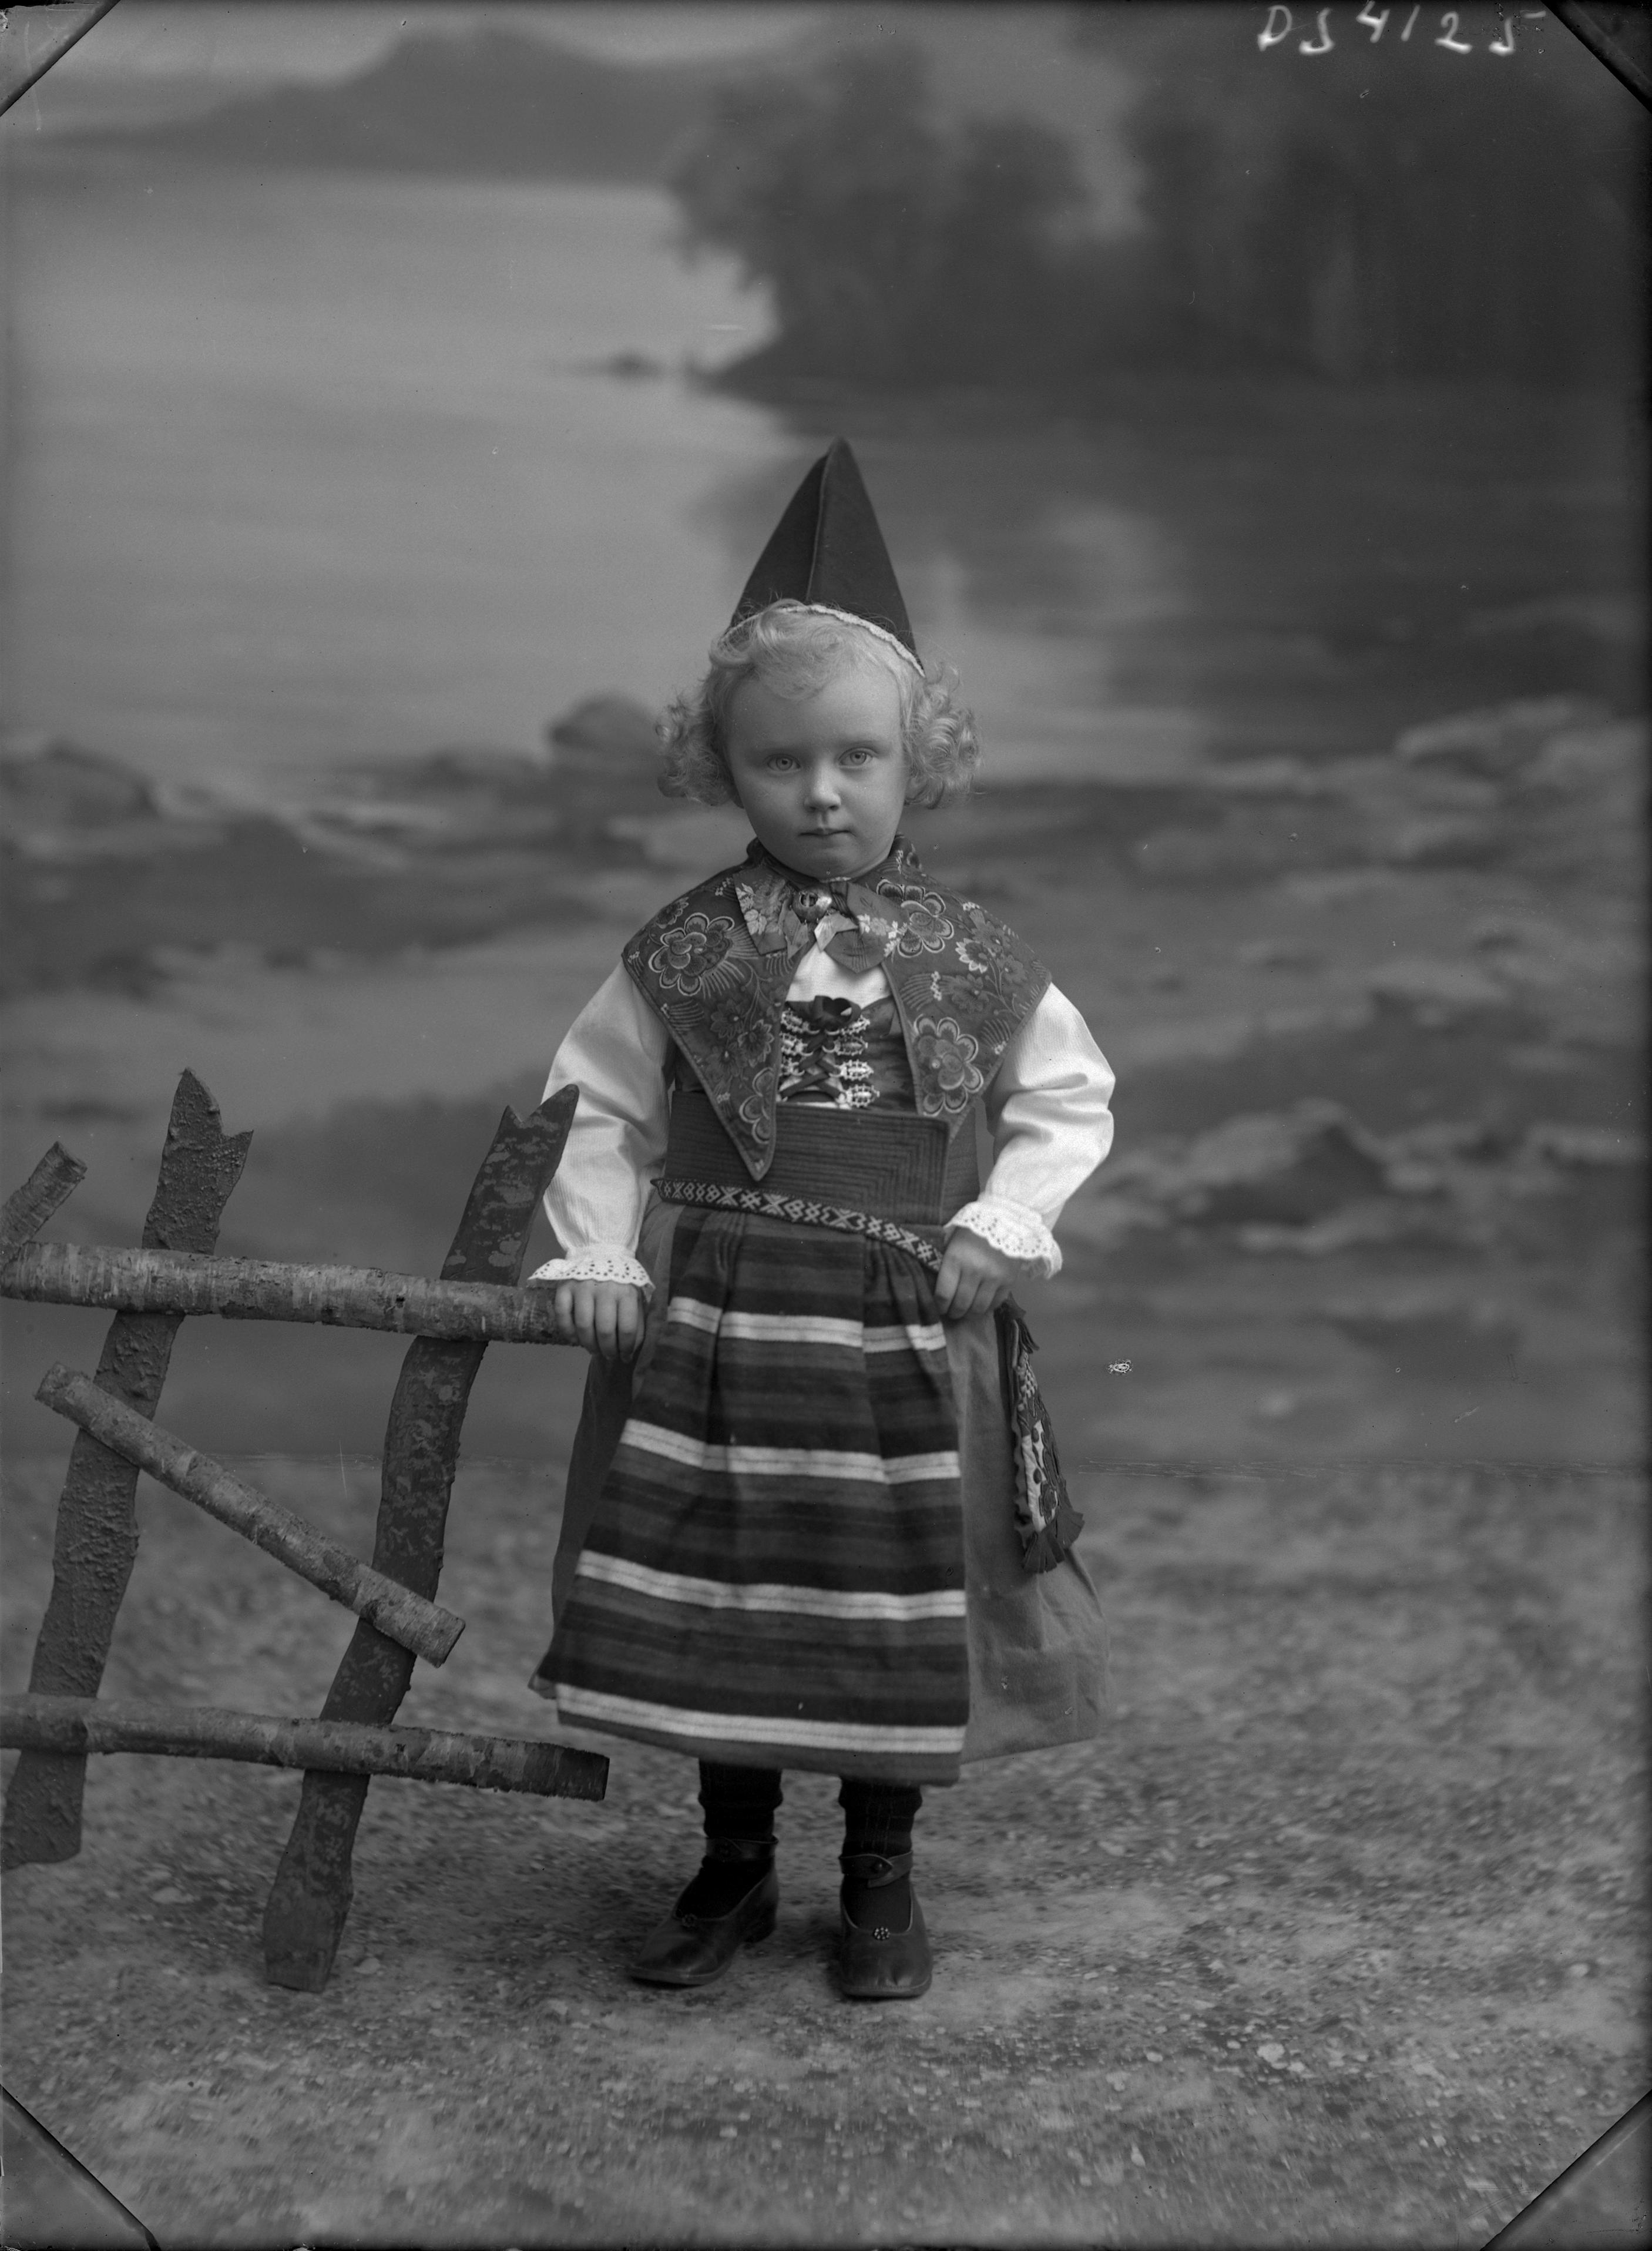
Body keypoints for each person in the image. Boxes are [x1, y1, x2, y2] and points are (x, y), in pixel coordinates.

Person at [526, 439, 1114, 2001]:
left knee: (884, 1599)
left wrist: (1004, 1219)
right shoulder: (687, 949)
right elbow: (593, 1105)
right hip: (720, 1329)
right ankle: (730, 1865)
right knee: (725, 1587)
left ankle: (878, 1875)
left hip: (900, 1327)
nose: (823, 791)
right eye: (781, 762)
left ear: (922, 759)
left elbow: (1067, 1099)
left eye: (858, 756)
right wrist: (596, 1249)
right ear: (724, 770)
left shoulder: (973, 958)